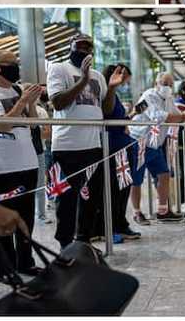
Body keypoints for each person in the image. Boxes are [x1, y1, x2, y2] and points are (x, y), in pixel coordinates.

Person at [46, 34, 127, 247]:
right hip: (67, 145)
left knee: (91, 198)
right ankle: (65, 243)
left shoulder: (98, 76)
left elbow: (106, 109)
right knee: (66, 199)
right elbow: (57, 103)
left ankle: (84, 240)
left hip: (93, 145)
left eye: (88, 47)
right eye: (79, 46)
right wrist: (82, 80)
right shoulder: (58, 68)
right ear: (70, 47)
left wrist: (111, 88)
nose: (84, 50)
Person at [0, 51, 46, 282]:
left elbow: (34, 124)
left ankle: (25, 261)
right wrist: (22, 102)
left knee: (26, 216)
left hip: (27, 161)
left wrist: (32, 103)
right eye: (11, 65)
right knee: (3, 217)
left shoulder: (19, 90)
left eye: (17, 64)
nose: (16, 68)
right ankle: (4, 268)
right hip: (1, 166)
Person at [128, 72, 185, 223]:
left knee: (164, 174)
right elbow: (158, 117)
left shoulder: (169, 98)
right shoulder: (149, 95)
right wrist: (184, 116)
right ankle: (137, 212)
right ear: (156, 83)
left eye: (171, 84)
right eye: (165, 83)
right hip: (139, 141)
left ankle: (163, 210)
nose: (168, 87)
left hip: (155, 144)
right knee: (137, 179)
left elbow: (176, 115)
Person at [100, 63, 142, 242]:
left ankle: (120, 222)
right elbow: (107, 113)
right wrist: (112, 87)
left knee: (123, 188)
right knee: (114, 190)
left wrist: (129, 117)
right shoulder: (107, 94)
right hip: (113, 146)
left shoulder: (115, 96)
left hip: (123, 146)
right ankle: (111, 226)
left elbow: (118, 118)